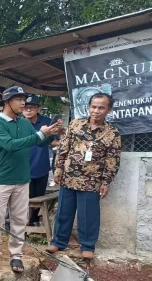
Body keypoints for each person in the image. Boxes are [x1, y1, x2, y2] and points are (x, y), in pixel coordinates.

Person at [0, 86, 60, 273]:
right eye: (18, 99)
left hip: (22, 180)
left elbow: (37, 142)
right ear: (7, 102)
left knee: (19, 220)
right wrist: (40, 134)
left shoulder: (24, 123)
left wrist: (51, 134)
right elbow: (11, 145)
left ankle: (16, 255)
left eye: (23, 99)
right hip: (1, 180)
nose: (23, 103)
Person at [48, 93, 121, 260]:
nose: (96, 111)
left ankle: (87, 245)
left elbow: (113, 159)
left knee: (88, 214)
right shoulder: (76, 125)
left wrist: (106, 181)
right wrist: (58, 169)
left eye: (101, 107)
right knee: (63, 212)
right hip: (69, 176)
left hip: (92, 180)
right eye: (93, 107)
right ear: (89, 107)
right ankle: (58, 242)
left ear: (108, 110)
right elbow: (63, 148)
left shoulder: (112, 133)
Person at [22, 96, 57, 225]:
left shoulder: (46, 122)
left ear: (39, 109)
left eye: (32, 107)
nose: (29, 110)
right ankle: (24, 224)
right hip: (23, 167)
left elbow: (55, 141)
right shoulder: (18, 123)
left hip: (41, 166)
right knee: (26, 197)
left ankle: (34, 220)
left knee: (39, 195)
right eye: (26, 107)